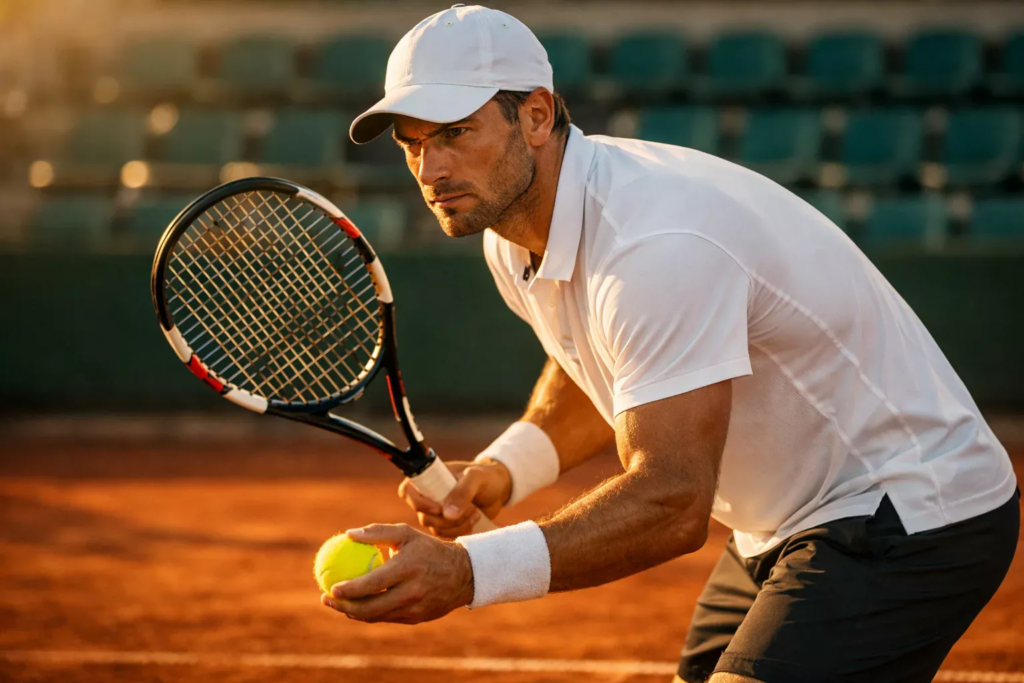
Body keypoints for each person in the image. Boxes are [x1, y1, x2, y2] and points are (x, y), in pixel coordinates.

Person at [322, 6, 1020, 682]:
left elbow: (672, 500)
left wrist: (469, 572)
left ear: (536, 114)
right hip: (781, 521)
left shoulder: (655, 243)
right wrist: (507, 468)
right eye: (413, 144)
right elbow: (618, 366)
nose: (430, 170)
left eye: (454, 133)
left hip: (911, 509)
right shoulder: (510, 229)